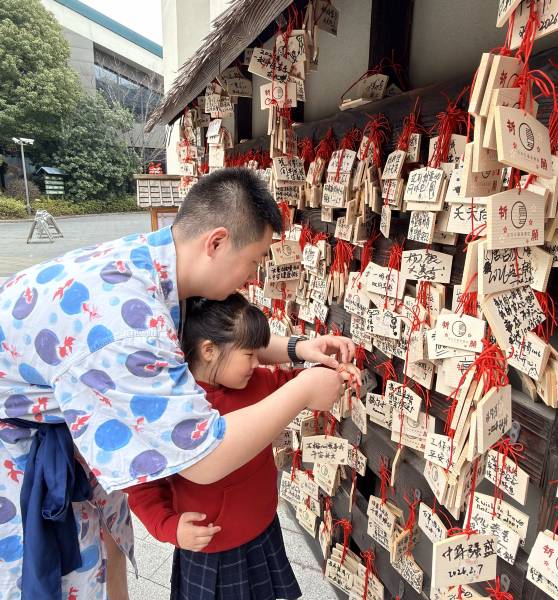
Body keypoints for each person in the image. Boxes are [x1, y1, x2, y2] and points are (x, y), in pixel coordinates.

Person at [0, 168, 354, 600]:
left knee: (109, 554)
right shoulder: (128, 330)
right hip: (23, 457)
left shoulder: (153, 263)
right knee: (70, 579)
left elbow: (223, 342)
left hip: (59, 429)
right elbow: (201, 457)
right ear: (217, 243)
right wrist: (303, 391)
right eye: (255, 260)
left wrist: (298, 348)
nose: (253, 276)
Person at [128, 294, 359, 599]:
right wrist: (169, 527)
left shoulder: (255, 381)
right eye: (249, 354)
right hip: (212, 548)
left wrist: (332, 375)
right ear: (209, 350)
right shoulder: (178, 410)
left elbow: (290, 384)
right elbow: (143, 482)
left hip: (263, 525)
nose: (257, 362)